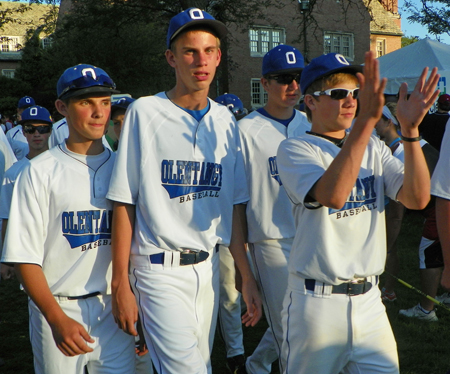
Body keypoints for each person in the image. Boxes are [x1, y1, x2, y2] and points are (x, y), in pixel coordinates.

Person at [107, 8, 261, 374]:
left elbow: (235, 206)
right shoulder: (144, 112)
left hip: (207, 270)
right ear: (171, 58)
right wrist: (120, 284)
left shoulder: (226, 120)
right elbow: (124, 202)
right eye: (190, 51)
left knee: (199, 363)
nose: (200, 60)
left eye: (209, 50)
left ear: (219, 57)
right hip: (159, 270)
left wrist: (246, 274)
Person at [276, 51, 439, 373]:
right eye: (338, 94)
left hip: (369, 300)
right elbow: (333, 195)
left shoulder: (374, 146)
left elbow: (417, 198)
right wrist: (366, 124)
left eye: (355, 94)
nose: (350, 101)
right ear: (309, 102)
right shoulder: (296, 148)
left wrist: (410, 132)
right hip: (317, 304)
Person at [1, 64, 136, 374]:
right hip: (59, 305)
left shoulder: (126, 168)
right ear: (62, 107)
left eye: (104, 102)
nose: (98, 112)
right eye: (85, 102)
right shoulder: (39, 171)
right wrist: (55, 317)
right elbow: (23, 257)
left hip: (115, 305)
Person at [237, 44, 310, 374]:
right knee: (291, 332)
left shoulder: (311, 123)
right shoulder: (245, 130)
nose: (293, 86)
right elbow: (237, 199)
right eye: (283, 78)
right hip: (271, 241)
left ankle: (256, 363)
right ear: (264, 83)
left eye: (298, 77)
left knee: (307, 319)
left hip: (313, 236)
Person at [214, 93, 248, 374]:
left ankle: (235, 352)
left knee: (230, 294)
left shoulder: (244, 148)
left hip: (232, 231)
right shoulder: (209, 148)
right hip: (208, 231)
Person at [0, 105, 53, 281]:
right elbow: (7, 218)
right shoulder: (13, 173)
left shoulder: (64, 167)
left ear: (50, 131)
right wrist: (6, 259)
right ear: (23, 132)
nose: (36, 134)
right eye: (30, 129)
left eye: (42, 129)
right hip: (29, 249)